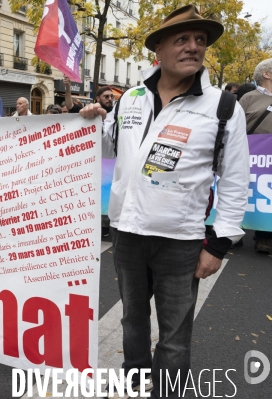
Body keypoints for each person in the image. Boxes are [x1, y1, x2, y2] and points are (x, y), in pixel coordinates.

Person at [80, 5, 249, 397]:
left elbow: (237, 180)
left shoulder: (223, 108)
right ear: (158, 48)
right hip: (127, 236)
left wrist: (219, 245)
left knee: (173, 339)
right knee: (132, 326)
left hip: (182, 243)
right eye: (183, 39)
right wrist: (88, 119)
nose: (194, 47)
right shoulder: (130, 99)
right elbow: (102, 144)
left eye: (200, 40)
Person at [239, 58, 272, 253]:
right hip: (249, 154)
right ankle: (235, 232)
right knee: (245, 191)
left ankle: (264, 237)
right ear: (266, 74)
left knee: (268, 195)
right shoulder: (248, 98)